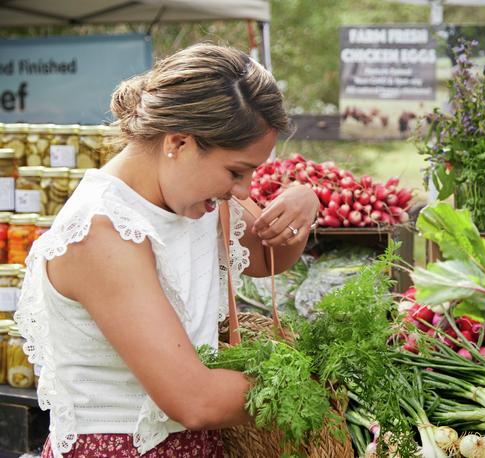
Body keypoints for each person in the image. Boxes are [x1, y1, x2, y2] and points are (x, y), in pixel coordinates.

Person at [14, 44, 320, 457]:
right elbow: (194, 399)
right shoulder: (101, 232)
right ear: (178, 142)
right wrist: (319, 392)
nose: (245, 190)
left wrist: (303, 205)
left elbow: (271, 256)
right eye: (236, 171)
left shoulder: (196, 201)